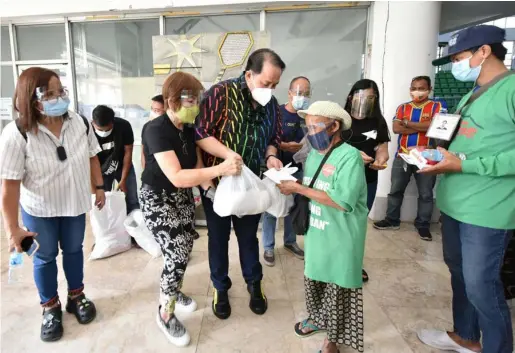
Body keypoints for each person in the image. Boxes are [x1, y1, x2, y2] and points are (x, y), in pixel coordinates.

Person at [417, 25, 515, 353]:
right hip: (455, 203)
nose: (456, 64)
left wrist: (466, 165)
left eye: (459, 57)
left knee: (481, 285)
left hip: (487, 209)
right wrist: (435, 154)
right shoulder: (469, 93)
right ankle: (466, 337)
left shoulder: (512, 89)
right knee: (460, 276)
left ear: (484, 51)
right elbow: (464, 141)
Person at [0, 67, 105, 342]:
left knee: (73, 251)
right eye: (49, 93)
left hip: (74, 205)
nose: (58, 97)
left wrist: (100, 186)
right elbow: (9, 187)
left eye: (60, 91)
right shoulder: (17, 134)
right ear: (30, 98)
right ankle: (50, 306)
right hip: (39, 211)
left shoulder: (79, 122)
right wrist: (12, 229)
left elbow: (93, 156)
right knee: (44, 258)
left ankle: (76, 296)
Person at [140, 72, 242, 346]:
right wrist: (221, 168)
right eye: (190, 100)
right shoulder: (155, 129)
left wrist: (213, 191)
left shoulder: (187, 127)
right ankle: (165, 312)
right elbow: (176, 175)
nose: (195, 105)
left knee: (184, 249)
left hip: (182, 197)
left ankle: (173, 291)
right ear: (172, 100)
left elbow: (196, 166)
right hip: (158, 199)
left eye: (197, 99)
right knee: (176, 254)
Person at [195, 48, 285, 320]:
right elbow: (200, 133)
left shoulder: (271, 103)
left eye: (275, 84)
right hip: (217, 185)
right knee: (218, 239)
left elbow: (274, 138)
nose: (269, 89)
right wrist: (227, 156)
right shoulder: (220, 94)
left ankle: (254, 284)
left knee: (248, 237)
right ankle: (220, 288)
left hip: (251, 186)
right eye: (265, 83)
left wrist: (271, 156)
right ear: (249, 74)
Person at [278, 101, 367, 353]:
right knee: (315, 280)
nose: (310, 132)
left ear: (334, 126)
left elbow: (342, 200)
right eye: (307, 127)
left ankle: (332, 342)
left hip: (341, 238)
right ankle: (317, 319)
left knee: (338, 290)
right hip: (318, 234)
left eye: (315, 126)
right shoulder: (314, 154)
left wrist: (297, 188)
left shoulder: (349, 157)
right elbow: (312, 187)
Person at [373, 76, 442, 241]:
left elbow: (436, 127)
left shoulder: (437, 106)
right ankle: (392, 219)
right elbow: (396, 128)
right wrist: (422, 127)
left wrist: (408, 124)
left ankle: (423, 224)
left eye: (421, 87)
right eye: (414, 88)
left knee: (425, 193)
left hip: (427, 157)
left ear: (429, 89)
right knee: (396, 190)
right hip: (402, 155)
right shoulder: (403, 108)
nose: (417, 91)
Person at [345, 79, 390, 283]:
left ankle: (354, 263)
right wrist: (354, 154)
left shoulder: (378, 122)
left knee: (358, 223)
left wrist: (382, 158)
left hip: (368, 179)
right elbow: (329, 146)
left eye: (371, 98)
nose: (365, 101)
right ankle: (336, 259)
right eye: (361, 97)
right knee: (340, 221)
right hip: (342, 179)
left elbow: (382, 147)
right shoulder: (341, 119)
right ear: (351, 97)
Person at [261, 76, 309, 267]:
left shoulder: (307, 116)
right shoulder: (277, 113)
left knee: (292, 207)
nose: (302, 97)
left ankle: (290, 242)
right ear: (289, 93)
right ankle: (268, 246)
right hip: (277, 168)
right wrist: (283, 146)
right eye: (299, 92)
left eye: (306, 93)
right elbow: (267, 139)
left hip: (297, 169)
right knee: (271, 209)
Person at [91, 105, 139, 214]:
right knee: (103, 200)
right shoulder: (87, 132)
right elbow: (90, 161)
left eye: (107, 129)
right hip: (100, 170)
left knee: (131, 198)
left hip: (122, 165)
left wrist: (123, 180)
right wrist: (97, 187)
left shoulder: (123, 126)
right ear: (93, 122)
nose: (104, 132)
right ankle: (108, 225)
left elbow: (128, 152)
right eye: (100, 129)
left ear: (113, 122)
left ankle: (133, 225)